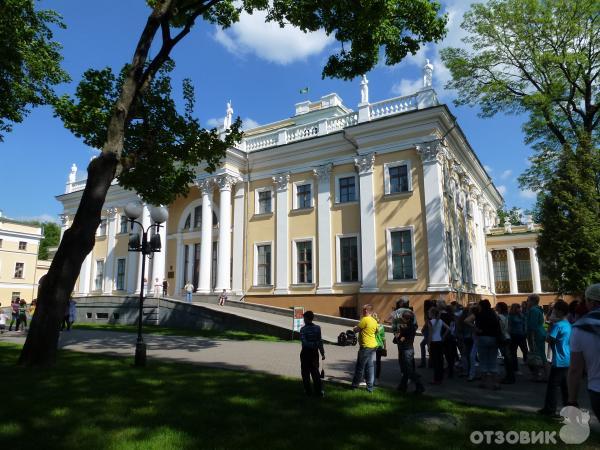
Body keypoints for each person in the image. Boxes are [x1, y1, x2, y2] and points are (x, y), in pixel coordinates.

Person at [567, 283, 600, 422]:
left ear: (592, 302)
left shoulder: (580, 328)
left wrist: (572, 401)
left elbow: (575, 369)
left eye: (586, 300)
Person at [539, 300, 571, 418]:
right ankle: (569, 410)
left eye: (555, 309)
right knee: (565, 387)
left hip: (559, 359)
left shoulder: (557, 325)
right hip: (568, 358)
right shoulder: (568, 324)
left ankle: (550, 409)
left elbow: (549, 339)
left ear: (559, 311)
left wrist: (550, 327)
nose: (553, 311)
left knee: (553, 386)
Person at [466, 299, 501, 390]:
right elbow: (499, 325)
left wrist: (476, 328)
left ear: (481, 306)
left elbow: (467, 321)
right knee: (493, 361)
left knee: (483, 360)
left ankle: (484, 382)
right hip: (494, 338)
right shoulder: (494, 314)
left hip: (482, 338)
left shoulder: (478, 314)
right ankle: (495, 383)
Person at [351, 304, 378, 393]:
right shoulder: (374, 320)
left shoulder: (365, 319)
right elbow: (376, 331)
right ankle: (370, 387)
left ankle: (354, 386)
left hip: (365, 346)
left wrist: (354, 328)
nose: (362, 311)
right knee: (369, 366)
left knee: (360, 367)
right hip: (373, 345)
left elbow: (356, 330)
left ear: (366, 310)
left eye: (363, 310)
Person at [396, 309, 425, 394]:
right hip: (407, 349)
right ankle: (402, 386)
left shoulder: (408, 328)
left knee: (409, 370)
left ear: (407, 319)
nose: (401, 319)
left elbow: (401, 339)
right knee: (405, 370)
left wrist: (398, 336)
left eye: (403, 318)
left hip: (406, 350)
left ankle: (420, 386)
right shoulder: (409, 326)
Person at [299, 310, 325, 397]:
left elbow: (304, 342)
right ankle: (319, 391)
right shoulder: (318, 328)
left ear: (306, 318)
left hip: (305, 353)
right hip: (314, 353)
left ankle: (308, 391)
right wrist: (322, 353)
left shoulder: (303, 329)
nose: (303, 320)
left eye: (304, 318)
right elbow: (320, 341)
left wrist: (312, 345)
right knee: (315, 372)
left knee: (305, 373)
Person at [526, 294, 547, 381]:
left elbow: (532, 325)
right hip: (540, 332)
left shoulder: (533, 310)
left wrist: (530, 336)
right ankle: (538, 375)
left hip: (535, 334)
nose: (527, 302)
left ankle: (542, 375)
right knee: (539, 354)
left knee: (537, 355)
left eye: (528, 300)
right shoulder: (538, 309)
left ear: (532, 301)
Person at [427, 307, 450, 385]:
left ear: (432, 314)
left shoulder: (430, 322)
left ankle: (436, 379)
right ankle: (440, 378)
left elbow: (430, 334)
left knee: (436, 362)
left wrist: (429, 345)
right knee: (440, 361)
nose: (428, 314)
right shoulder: (440, 321)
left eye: (429, 313)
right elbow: (448, 328)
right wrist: (443, 336)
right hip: (440, 341)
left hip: (434, 342)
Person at [496, 302, 515, 384]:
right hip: (508, 336)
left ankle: (509, 377)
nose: (495, 308)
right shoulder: (508, 316)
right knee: (508, 358)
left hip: (503, 337)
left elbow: (500, 328)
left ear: (500, 308)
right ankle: (510, 376)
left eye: (497, 306)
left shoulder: (499, 317)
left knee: (507, 358)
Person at [508, 303, 528, 373]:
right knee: (513, 352)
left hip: (522, 335)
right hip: (514, 335)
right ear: (514, 308)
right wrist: (509, 335)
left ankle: (528, 363)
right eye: (518, 308)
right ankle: (515, 369)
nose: (520, 309)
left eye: (520, 307)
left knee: (525, 350)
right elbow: (509, 326)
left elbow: (524, 324)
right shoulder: (511, 316)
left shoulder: (521, 315)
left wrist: (525, 332)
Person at [372, 312, 386, 384]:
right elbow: (383, 338)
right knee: (378, 363)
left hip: (371, 345)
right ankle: (377, 379)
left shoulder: (371, 326)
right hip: (380, 346)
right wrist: (385, 347)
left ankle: (367, 378)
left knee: (369, 362)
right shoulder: (381, 327)